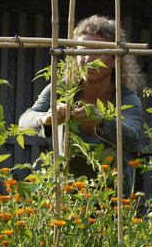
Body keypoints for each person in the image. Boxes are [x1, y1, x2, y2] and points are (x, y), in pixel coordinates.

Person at [19, 15, 143, 194]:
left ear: (115, 59)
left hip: (112, 200)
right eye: (81, 51)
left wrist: (101, 121)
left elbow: (132, 138)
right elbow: (24, 122)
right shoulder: (62, 89)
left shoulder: (126, 98)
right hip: (66, 197)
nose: (87, 58)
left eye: (97, 51)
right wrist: (46, 118)